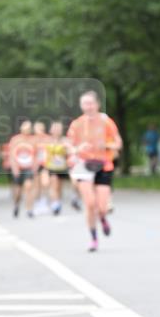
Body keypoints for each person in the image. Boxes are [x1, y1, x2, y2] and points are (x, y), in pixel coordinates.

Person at [67, 92, 122, 252]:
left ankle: (103, 218)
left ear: (97, 105)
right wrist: (77, 149)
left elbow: (118, 143)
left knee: (102, 207)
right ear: (81, 106)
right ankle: (93, 238)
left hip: (103, 165)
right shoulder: (77, 124)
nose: (88, 107)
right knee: (90, 204)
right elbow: (68, 146)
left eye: (91, 103)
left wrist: (105, 145)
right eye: (85, 104)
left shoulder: (106, 122)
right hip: (84, 165)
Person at [8, 121, 36, 218]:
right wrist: (14, 168)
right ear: (21, 129)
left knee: (28, 187)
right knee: (18, 191)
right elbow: (11, 155)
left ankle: (29, 209)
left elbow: (36, 155)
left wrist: (34, 167)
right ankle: (16, 204)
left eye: (29, 128)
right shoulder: (15, 139)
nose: (27, 130)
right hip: (18, 168)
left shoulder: (33, 140)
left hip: (28, 167)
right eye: (26, 128)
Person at [44, 121, 72, 214]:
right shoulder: (47, 140)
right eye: (55, 129)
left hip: (62, 167)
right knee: (54, 184)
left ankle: (58, 202)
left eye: (58, 129)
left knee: (59, 187)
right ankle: (54, 203)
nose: (56, 131)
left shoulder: (65, 140)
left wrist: (68, 150)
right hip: (51, 166)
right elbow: (43, 153)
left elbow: (70, 151)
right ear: (51, 130)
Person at [32, 120, 50, 214]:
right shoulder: (33, 139)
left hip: (45, 164)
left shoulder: (47, 138)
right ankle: (37, 203)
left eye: (40, 128)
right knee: (36, 185)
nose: (38, 130)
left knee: (45, 183)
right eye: (36, 128)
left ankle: (44, 202)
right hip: (36, 164)